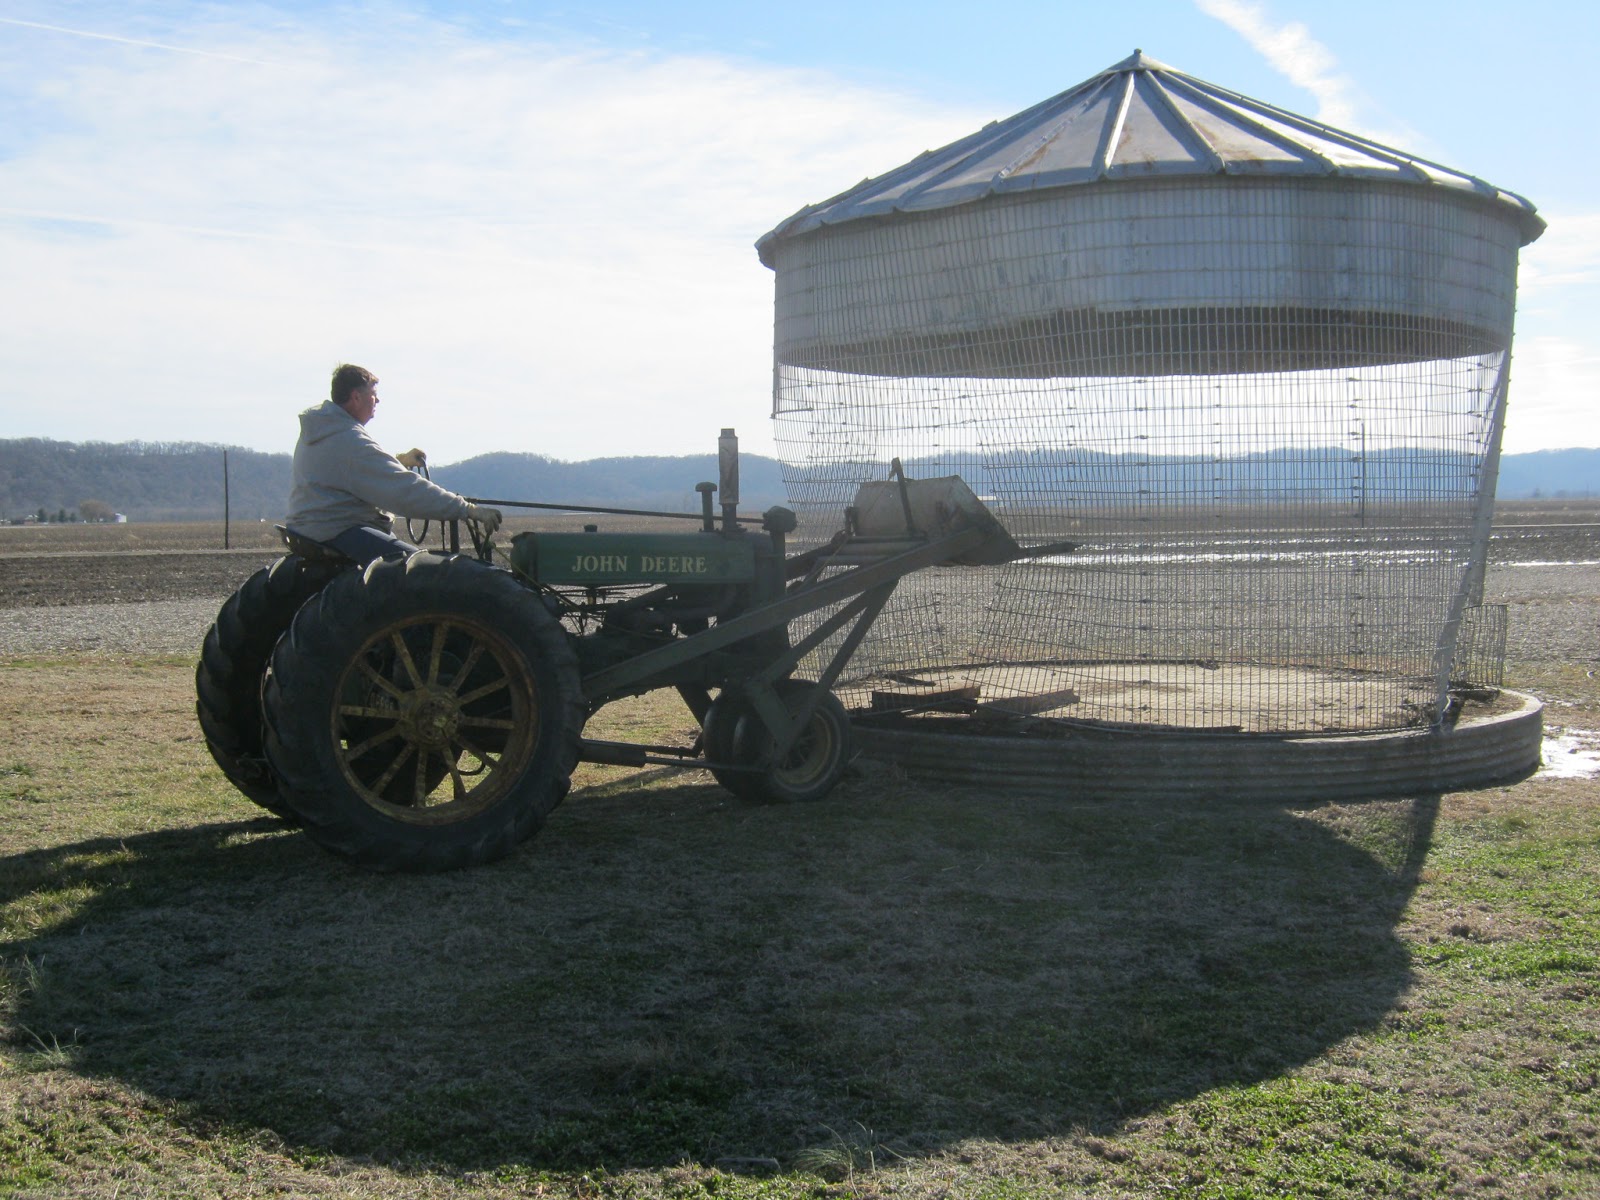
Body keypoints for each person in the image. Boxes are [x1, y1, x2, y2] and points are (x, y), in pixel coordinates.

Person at [285, 364, 502, 564]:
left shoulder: (321, 430)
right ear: (356, 397)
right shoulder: (348, 439)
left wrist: (398, 462)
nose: (377, 401)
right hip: (337, 531)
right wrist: (467, 509)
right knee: (423, 569)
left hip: (311, 530)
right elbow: (403, 490)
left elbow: (353, 471)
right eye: (374, 395)